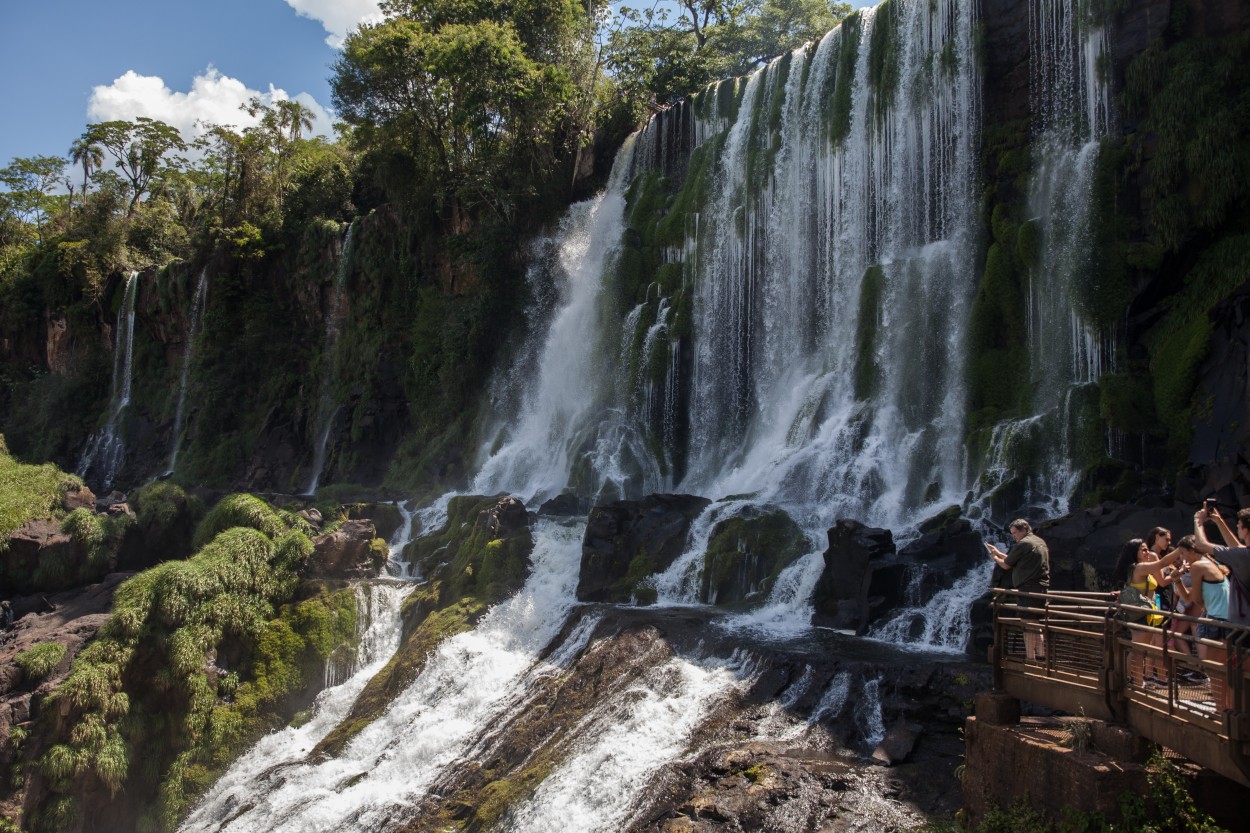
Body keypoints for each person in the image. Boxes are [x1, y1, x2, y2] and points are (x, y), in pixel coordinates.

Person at [1113, 538, 1187, 687]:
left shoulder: (1138, 568)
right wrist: (1180, 549)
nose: (1148, 552)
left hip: (1145, 614)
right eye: (1143, 550)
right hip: (1140, 614)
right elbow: (1162, 563)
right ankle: (1136, 683)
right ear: (1135, 552)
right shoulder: (1139, 567)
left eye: (1147, 549)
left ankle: (1129, 679)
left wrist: (1177, 574)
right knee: (1139, 650)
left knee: (1139, 649)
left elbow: (1161, 579)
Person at [986, 519, 1050, 661]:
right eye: (1012, 533)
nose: (1014, 536)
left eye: (1015, 533)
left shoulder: (1023, 544)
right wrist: (998, 552)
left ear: (1024, 529)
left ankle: (1030, 658)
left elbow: (1006, 565)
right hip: (1041, 587)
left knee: (1027, 622)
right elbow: (1012, 560)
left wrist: (995, 557)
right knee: (1036, 621)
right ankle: (1041, 655)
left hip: (1028, 588)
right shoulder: (1039, 541)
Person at [1192, 505, 1250, 627]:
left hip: (1243, 624)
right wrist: (1219, 521)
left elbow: (1201, 545)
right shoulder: (1244, 554)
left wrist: (1198, 521)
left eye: (1239, 524)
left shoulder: (1243, 556)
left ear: (1246, 531)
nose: (1237, 526)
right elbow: (1236, 548)